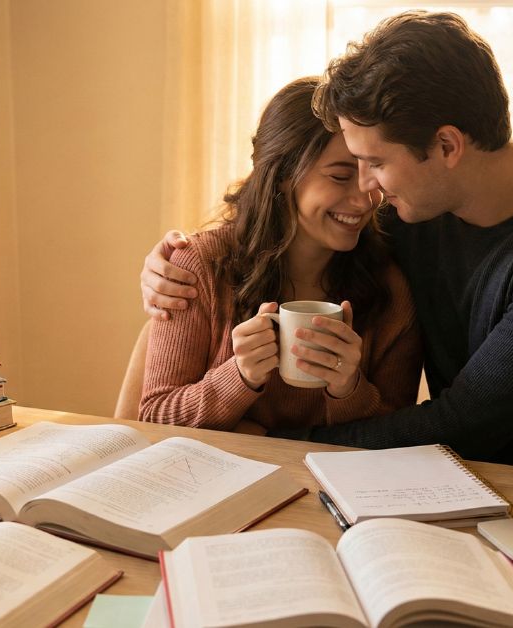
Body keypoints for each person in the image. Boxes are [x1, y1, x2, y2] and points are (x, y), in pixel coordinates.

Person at [140, 12, 513, 474]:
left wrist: (267, 445)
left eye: (376, 163)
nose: (368, 191)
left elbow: (463, 425)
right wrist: (172, 264)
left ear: (447, 145)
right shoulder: (416, 210)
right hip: (448, 485)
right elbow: (287, 221)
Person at [138, 76, 422, 433]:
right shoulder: (198, 267)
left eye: (373, 173)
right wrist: (238, 376)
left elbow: (399, 434)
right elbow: (155, 418)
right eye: (340, 176)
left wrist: (349, 389)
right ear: (281, 175)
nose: (366, 198)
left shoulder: (390, 290)